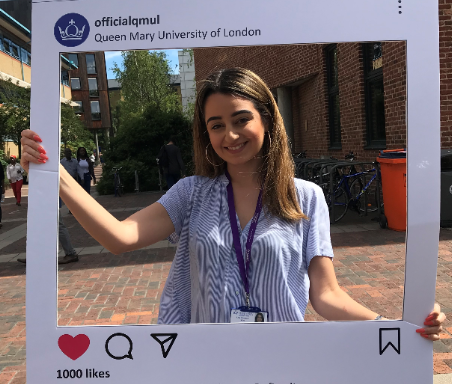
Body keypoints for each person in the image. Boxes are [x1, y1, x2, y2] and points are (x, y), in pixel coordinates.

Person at [20, 68, 445, 340]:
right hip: (204, 363)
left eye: (241, 119)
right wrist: (55, 175)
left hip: (282, 360)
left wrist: (393, 328)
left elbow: (326, 295)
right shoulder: (190, 193)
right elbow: (120, 238)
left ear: (266, 118)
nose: (230, 135)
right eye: (216, 125)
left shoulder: (305, 197)